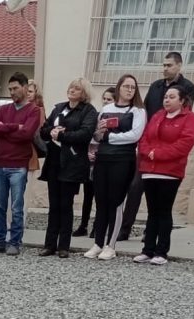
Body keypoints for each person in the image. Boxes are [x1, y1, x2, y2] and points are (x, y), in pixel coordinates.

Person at [120, 52, 194, 241]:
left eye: (169, 65)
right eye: (164, 65)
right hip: (148, 146)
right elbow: (146, 111)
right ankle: (125, 228)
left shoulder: (187, 87)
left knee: (159, 200)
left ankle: (151, 232)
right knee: (135, 187)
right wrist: (144, 144)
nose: (165, 68)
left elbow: (185, 114)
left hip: (168, 152)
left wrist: (162, 150)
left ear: (179, 66)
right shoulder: (155, 86)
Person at [131, 86, 194, 265]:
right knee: (152, 212)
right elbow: (144, 138)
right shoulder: (157, 116)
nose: (167, 100)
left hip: (170, 172)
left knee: (163, 211)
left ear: (182, 100)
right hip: (149, 170)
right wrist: (148, 152)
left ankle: (161, 251)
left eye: (172, 97)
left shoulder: (190, 119)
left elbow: (184, 145)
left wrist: (157, 154)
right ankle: (148, 250)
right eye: (165, 97)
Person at [84, 74, 147, 260]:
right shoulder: (106, 109)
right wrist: (99, 133)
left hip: (123, 159)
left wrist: (109, 137)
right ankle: (98, 243)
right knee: (101, 201)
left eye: (133, 87)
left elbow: (134, 135)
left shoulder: (138, 111)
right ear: (119, 87)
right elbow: (96, 135)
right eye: (126, 86)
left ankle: (110, 245)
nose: (129, 90)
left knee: (116, 201)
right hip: (103, 158)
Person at [38, 78, 98, 258]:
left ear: (84, 93)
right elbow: (44, 129)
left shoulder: (88, 111)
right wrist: (51, 132)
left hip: (72, 163)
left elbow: (85, 134)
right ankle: (49, 244)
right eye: (71, 87)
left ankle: (64, 245)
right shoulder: (59, 108)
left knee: (66, 204)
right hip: (54, 161)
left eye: (77, 88)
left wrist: (62, 135)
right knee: (54, 205)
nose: (72, 90)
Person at [0, 72, 41, 256]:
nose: (12, 92)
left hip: (18, 165)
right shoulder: (4, 109)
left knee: (16, 207)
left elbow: (27, 134)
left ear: (25, 87)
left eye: (15, 88)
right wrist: (14, 127)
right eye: (10, 89)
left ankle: (15, 242)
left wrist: (4, 129)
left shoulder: (34, 110)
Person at [74, 87, 115, 237]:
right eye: (104, 98)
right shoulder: (96, 115)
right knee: (87, 196)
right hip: (89, 160)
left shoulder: (114, 119)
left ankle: (98, 226)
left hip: (103, 161)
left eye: (109, 99)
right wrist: (88, 153)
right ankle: (83, 225)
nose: (105, 101)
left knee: (100, 197)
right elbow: (88, 135)